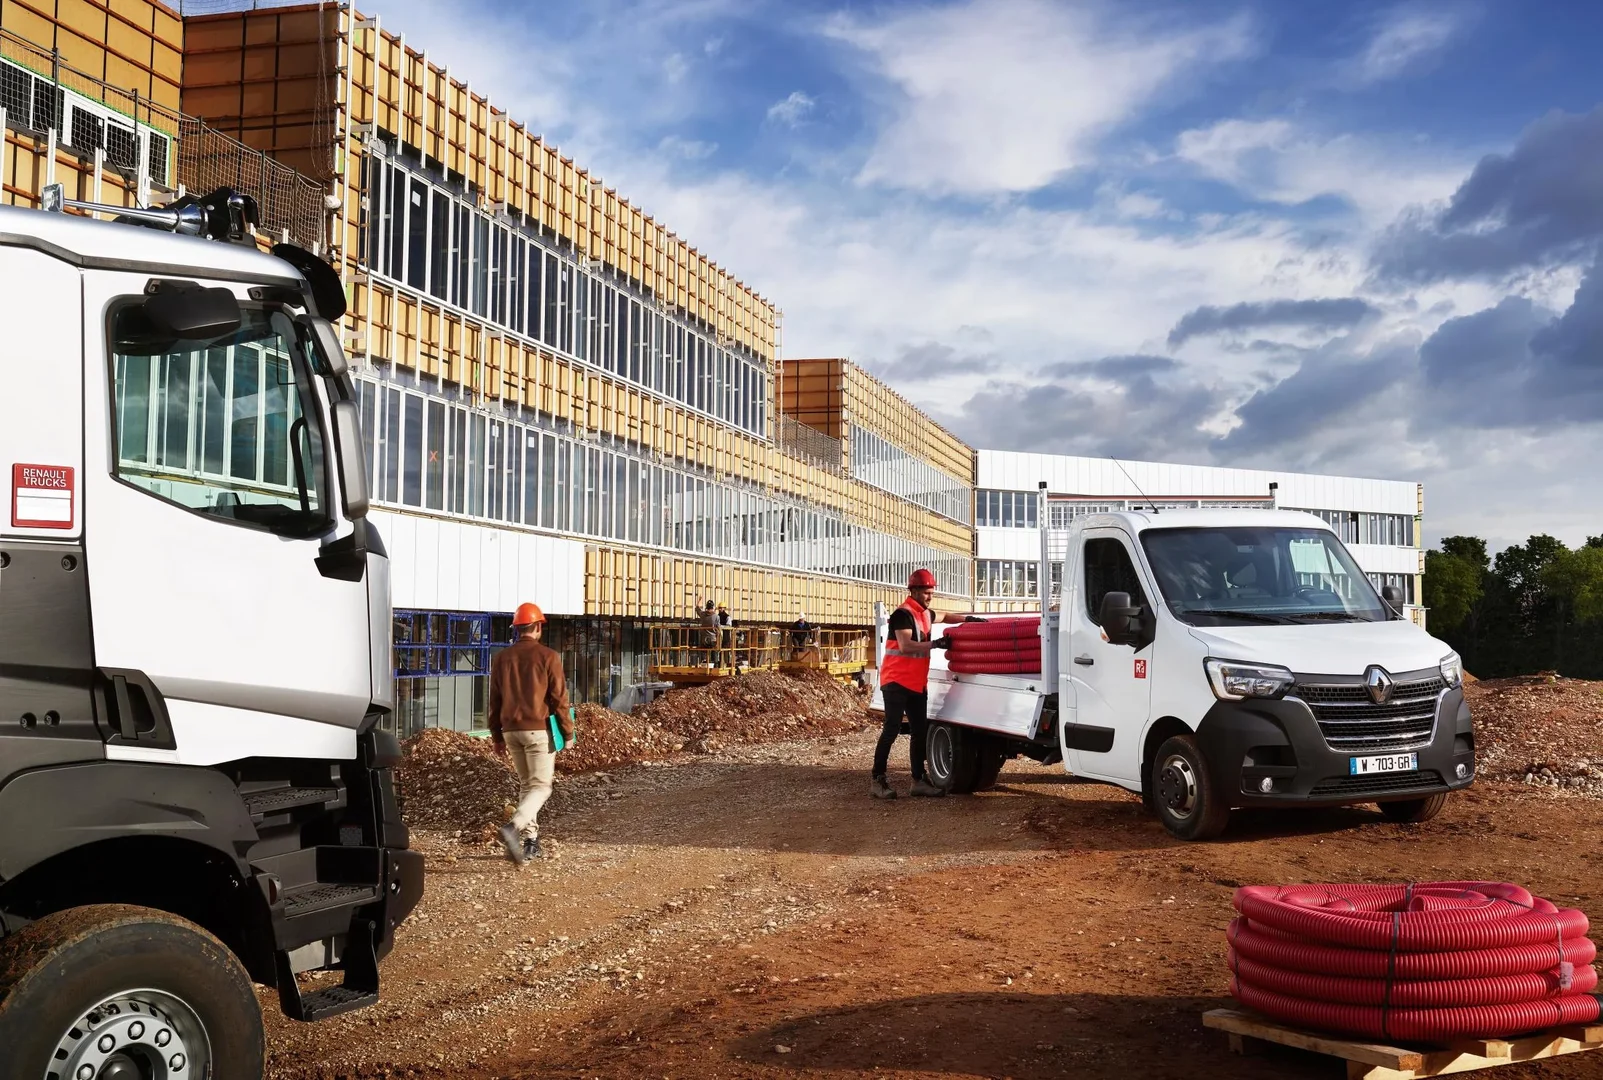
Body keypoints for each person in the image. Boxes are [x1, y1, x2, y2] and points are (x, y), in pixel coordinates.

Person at [488, 602, 573, 865]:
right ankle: (514, 827)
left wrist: (497, 736)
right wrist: (568, 733)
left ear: (517, 629)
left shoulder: (501, 658)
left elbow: (495, 701)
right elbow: (559, 699)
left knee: (527, 786)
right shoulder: (549, 657)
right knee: (542, 787)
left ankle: (530, 842)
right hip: (538, 731)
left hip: (512, 732)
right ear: (537, 627)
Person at [871, 568, 967, 800]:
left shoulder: (924, 613)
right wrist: (936, 644)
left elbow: (944, 616)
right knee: (891, 729)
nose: (930, 597)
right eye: (926, 593)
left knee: (920, 731)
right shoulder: (902, 614)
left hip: (915, 683)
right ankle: (877, 780)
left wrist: (968, 619)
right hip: (895, 681)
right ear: (913, 591)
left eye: (932, 593)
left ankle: (918, 781)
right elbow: (906, 646)